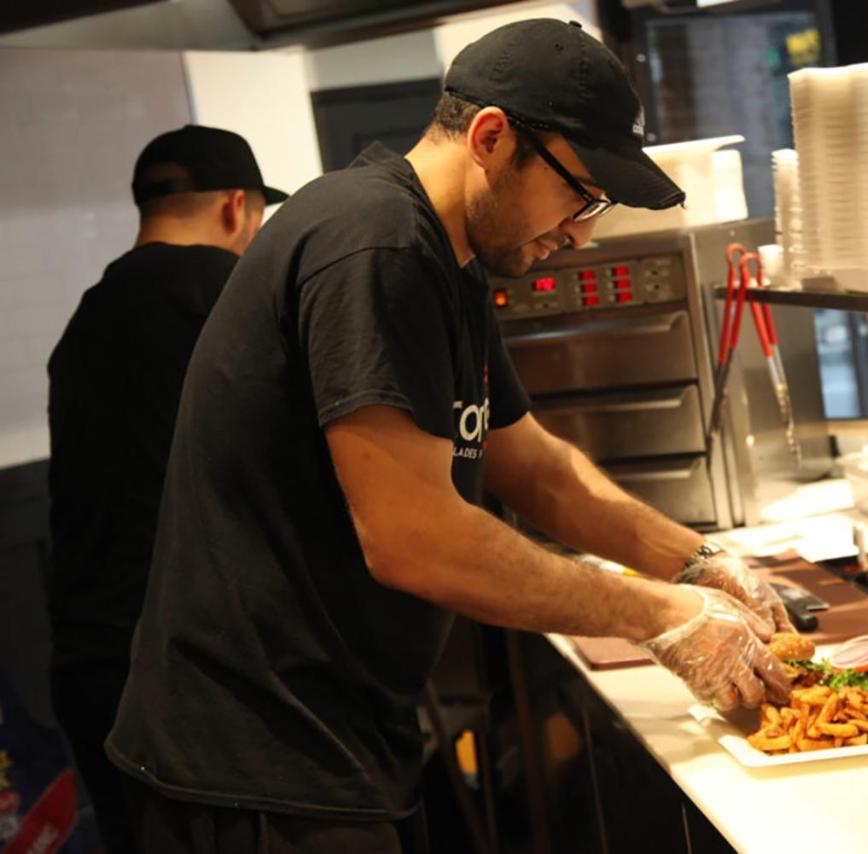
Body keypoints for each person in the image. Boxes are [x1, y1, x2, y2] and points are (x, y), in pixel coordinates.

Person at [106, 20, 791, 852]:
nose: (584, 231)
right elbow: (414, 539)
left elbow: (533, 467)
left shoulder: (448, 257)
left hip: (332, 739)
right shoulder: (374, 240)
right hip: (253, 764)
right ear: (493, 138)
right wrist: (660, 615)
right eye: (582, 195)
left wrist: (697, 563)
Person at [45, 125, 285, 853]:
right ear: (235, 207)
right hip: (197, 671)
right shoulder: (232, 298)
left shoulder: (86, 318)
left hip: (92, 665)